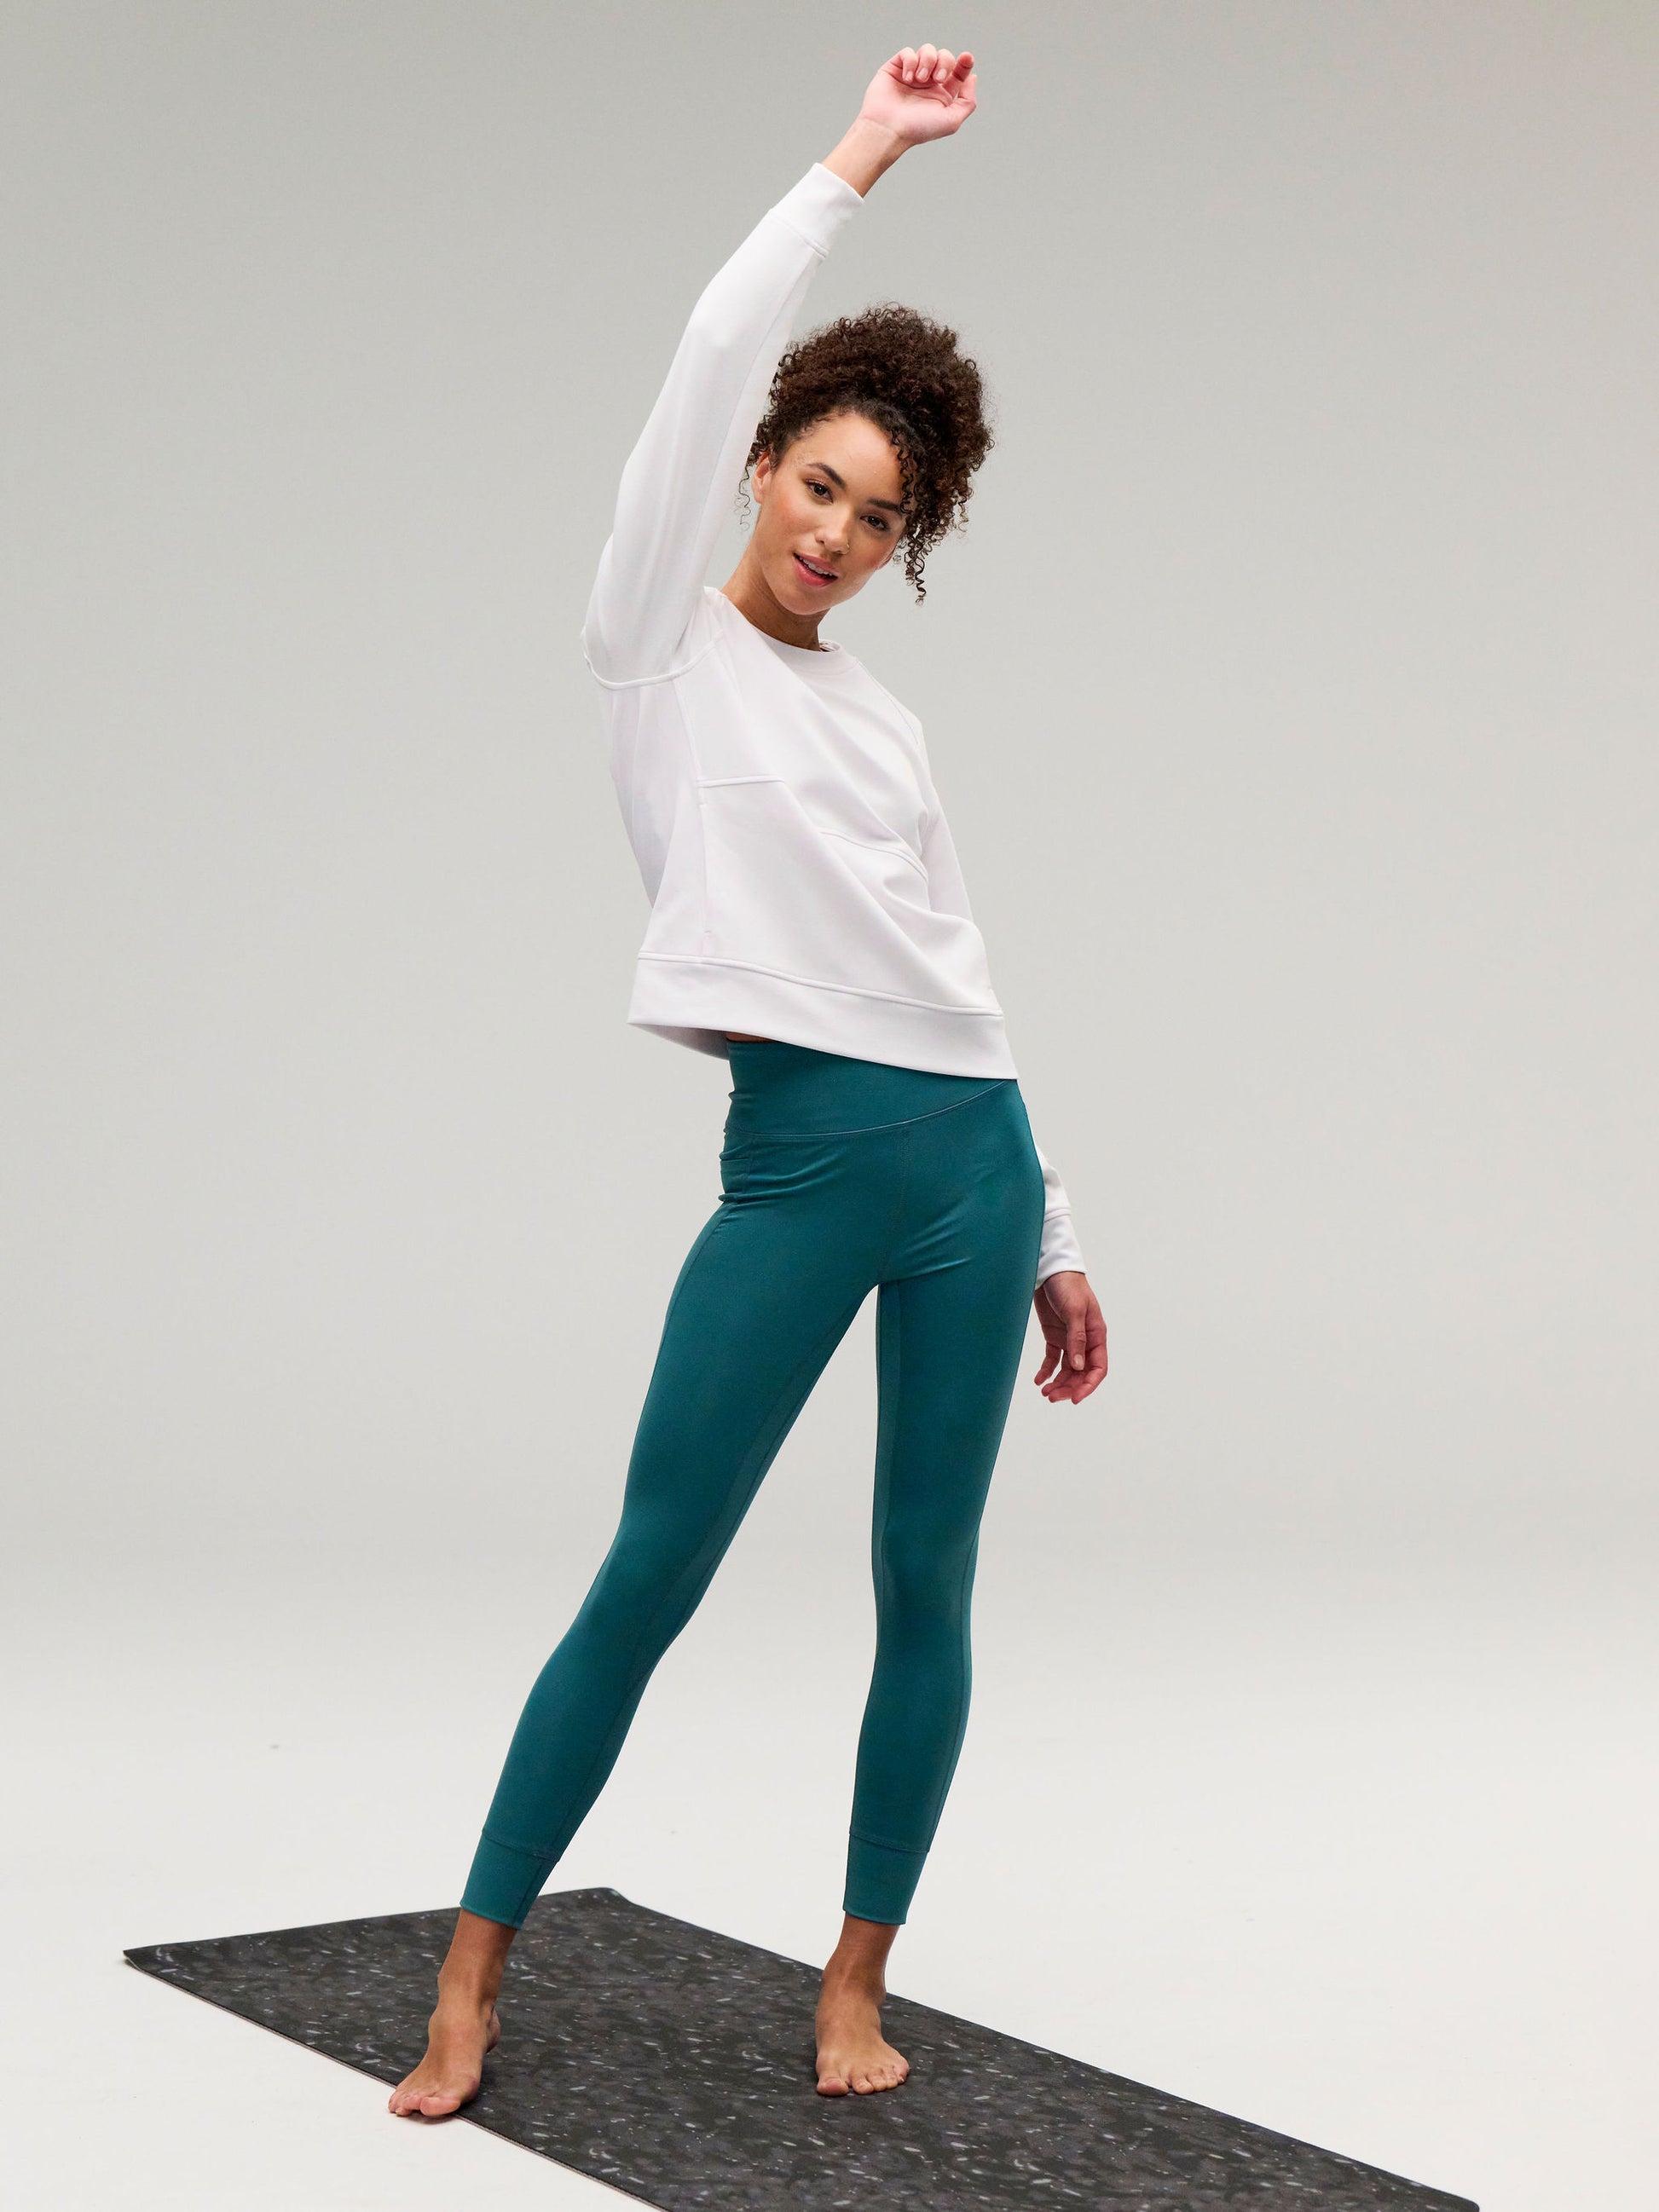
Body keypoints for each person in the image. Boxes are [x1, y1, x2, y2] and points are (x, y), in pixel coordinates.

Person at [390, 40, 1107, 2117]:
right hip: (797, 1164)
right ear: (758, 462)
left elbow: (958, 972)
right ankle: (468, 1974)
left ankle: (854, 1975)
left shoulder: (882, 725)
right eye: (816, 486)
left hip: (969, 1161)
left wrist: (1054, 1224)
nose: (835, 535)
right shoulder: (655, 648)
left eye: (880, 519)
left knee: (926, 1585)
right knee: (653, 1566)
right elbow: (713, 342)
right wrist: (864, 154)